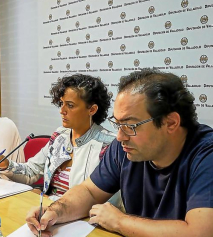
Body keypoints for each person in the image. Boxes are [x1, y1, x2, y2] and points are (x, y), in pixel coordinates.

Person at [26, 69, 213, 237]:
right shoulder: (125, 147)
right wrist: (55, 211)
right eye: (118, 124)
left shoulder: (206, 154)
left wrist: (119, 221)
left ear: (171, 123)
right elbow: (89, 191)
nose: (120, 135)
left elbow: (199, 232)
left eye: (130, 125)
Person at [0, 74, 117, 201]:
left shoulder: (108, 146)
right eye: (61, 103)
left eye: (70, 105)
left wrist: (51, 200)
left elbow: (101, 199)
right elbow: (32, 171)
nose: (62, 110)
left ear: (92, 110)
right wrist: (6, 165)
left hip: (80, 219)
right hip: (49, 213)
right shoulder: (60, 136)